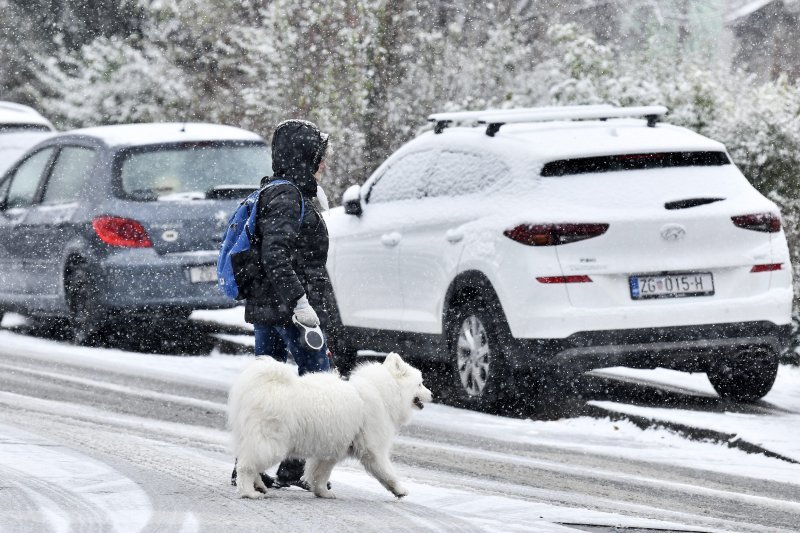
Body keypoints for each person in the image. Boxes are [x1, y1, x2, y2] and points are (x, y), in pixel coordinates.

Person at [231, 119, 333, 490]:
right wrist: (300, 302)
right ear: (303, 156)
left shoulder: (278, 191)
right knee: (317, 388)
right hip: (288, 309)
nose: (324, 164)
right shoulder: (288, 196)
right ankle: (298, 469)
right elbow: (276, 255)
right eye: (319, 157)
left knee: (267, 391)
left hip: (269, 306)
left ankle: (255, 466)